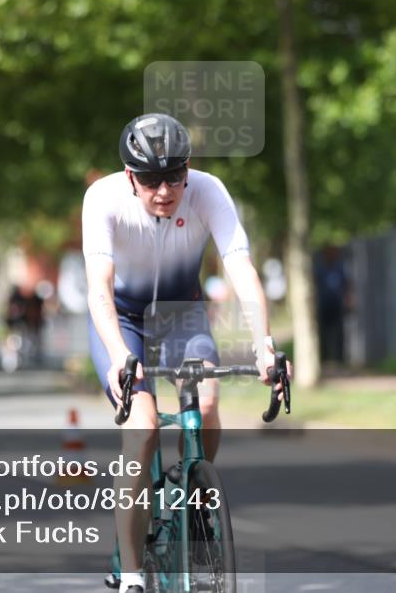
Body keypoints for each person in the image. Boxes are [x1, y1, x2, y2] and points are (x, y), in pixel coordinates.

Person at [82, 113, 291, 593]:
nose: (163, 190)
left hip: (182, 312)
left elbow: (240, 267)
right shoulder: (103, 199)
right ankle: (132, 571)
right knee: (144, 429)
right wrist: (118, 354)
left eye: (174, 176)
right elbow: (98, 288)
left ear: (188, 167)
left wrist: (264, 345)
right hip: (123, 319)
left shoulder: (208, 191)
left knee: (210, 404)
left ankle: (195, 496)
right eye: (151, 180)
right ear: (130, 176)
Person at [314, 245, 351, 365]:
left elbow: (346, 286)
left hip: (337, 305)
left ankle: (339, 358)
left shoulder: (339, 269)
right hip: (323, 305)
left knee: (339, 333)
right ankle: (324, 358)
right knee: (323, 333)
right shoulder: (320, 270)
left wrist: (348, 300)